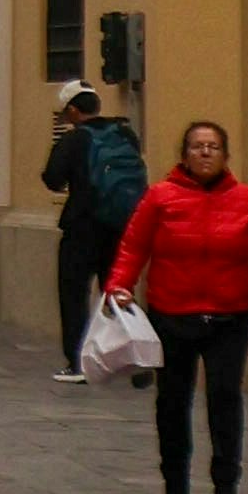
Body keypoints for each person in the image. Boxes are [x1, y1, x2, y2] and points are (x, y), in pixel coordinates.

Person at [106, 112, 248, 494]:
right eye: (197, 146)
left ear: (226, 155)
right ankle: (175, 479)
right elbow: (134, 246)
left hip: (229, 317)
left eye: (213, 147)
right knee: (173, 400)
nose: (205, 153)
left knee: (225, 397)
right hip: (172, 313)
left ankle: (226, 484)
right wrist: (119, 286)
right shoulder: (161, 197)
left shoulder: (247, 200)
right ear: (184, 155)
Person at [40, 73, 146, 373]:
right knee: (116, 292)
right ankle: (132, 357)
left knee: (73, 293)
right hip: (122, 226)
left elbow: (53, 178)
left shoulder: (74, 139)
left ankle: (77, 361)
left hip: (82, 225)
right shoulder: (126, 135)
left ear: (73, 111)